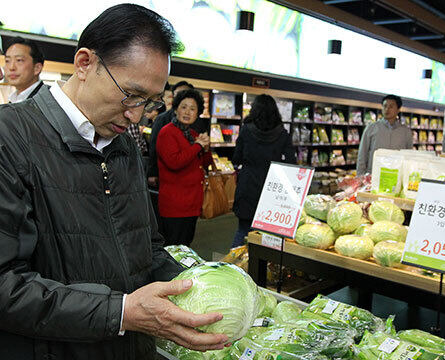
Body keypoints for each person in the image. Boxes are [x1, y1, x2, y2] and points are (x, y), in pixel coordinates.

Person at [0, 5, 229, 359]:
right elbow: (5, 286)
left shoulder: (122, 147)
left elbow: (146, 247)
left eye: (149, 103)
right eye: (130, 95)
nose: (135, 115)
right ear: (84, 63)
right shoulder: (9, 137)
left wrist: (206, 284)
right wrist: (120, 312)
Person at [231, 94, 296, 248]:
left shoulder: (246, 131)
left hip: (248, 186)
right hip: (272, 189)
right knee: (267, 235)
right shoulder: (282, 134)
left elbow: (236, 158)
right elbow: (291, 162)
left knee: (243, 230)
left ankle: (235, 265)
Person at [157, 89, 213, 246]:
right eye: (184, 107)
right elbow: (175, 162)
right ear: (175, 109)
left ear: (198, 113)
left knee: (186, 247)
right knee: (173, 248)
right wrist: (197, 146)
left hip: (192, 203)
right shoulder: (167, 132)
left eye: (193, 108)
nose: (188, 112)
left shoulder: (194, 134)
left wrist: (206, 148)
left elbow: (206, 164)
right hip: (174, 205)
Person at [147, 80, 196, 188]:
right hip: (167, 177)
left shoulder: (197, 122)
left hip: (191, 179)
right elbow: (154, 147)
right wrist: (152, 173)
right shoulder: (162, 119)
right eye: (178, 95)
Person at [357, 94, 412, 175]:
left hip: (396, 176)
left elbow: (409, 156)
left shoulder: (406, 132)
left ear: (398, 109)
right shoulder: (371, 128)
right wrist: (360, 176)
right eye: (385, 106)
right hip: (373, 175)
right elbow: (362, 154)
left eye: (391, 106)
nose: (387, 109)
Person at [4, 36, 47, 103]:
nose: (11, 67)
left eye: (19, 60)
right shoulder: (12, 99)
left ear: (37, 68)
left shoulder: (48, 98)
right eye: (7, 61)